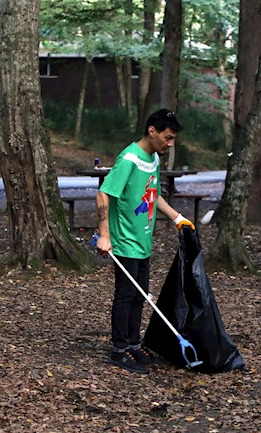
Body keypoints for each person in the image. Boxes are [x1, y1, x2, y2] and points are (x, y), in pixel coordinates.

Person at [95, 109, 194, 374]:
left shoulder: (153, 159)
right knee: (126, 296)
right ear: (152, 131)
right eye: (167, 137)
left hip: (143, 239)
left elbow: (153, 194)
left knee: (139, 296)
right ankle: (119, 350)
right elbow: (104, 194)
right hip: (125, 240)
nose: (170, 143)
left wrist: (177, 218)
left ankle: (134, 346)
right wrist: (105, 235)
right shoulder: (129, 158)